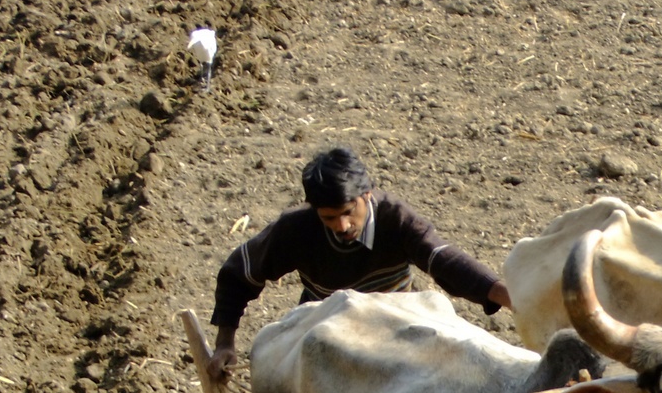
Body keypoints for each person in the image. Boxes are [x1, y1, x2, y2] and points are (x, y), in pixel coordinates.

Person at [206, 146, 511, 380]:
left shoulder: (396, 219)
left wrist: (502, 292)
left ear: (367, 194)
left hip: (395, 324)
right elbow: (238, 275)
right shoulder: (296, 230)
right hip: (325, 333)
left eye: (349, 211)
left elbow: (441, 258)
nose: (341, 225)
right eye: (329, 217)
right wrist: (225, 344)